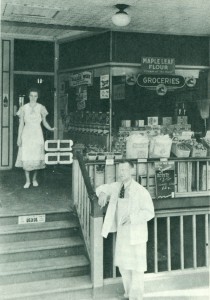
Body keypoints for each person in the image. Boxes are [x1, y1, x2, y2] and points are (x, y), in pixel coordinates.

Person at [96, 161, 154, 300]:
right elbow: (102, 188)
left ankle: (136, 297)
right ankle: (128, 294)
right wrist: (103, 193)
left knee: (137, 267)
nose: (121, 173)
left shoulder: (140, 190)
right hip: (123, 234)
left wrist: (133, 218)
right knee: (123, 265)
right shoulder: (117, 187)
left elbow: (149, 212)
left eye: (124, 170)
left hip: (136, 233)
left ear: (132, 171)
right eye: (120, 170)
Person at [15, 88, 55, 188]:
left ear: (38, 97)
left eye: (35, 96)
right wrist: (19, 138)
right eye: (31, 95)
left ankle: (34, 179)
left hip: (37, 134)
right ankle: (27, 180)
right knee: (26, 156)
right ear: (28, 96)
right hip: (27, 134)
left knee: (36, 156)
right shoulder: (23, 108)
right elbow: (21, 124)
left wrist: (51, 128)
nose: (33, 98)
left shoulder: (41, 107)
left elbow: (44, 122)